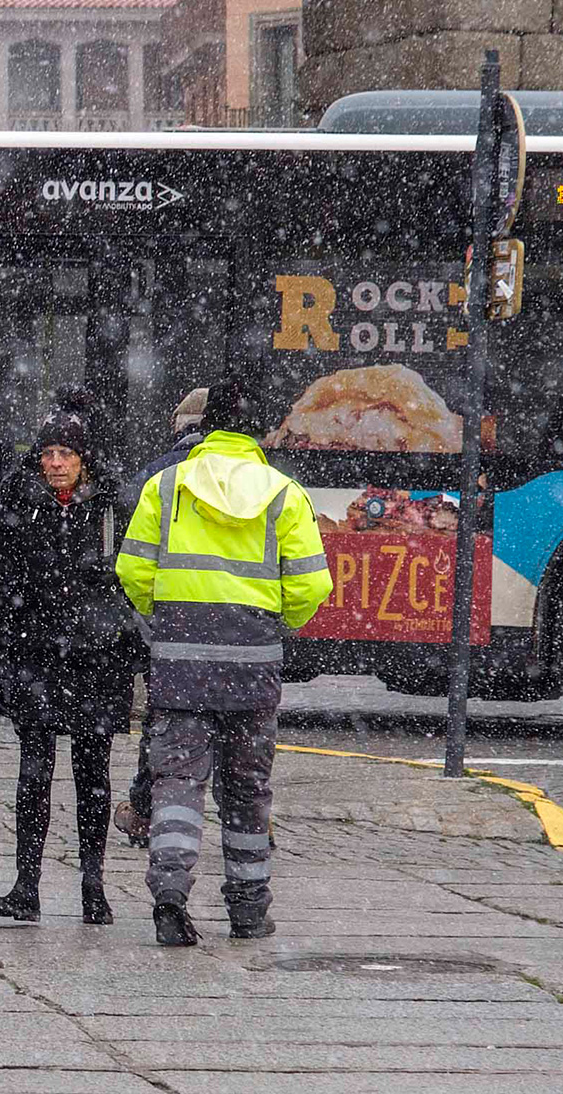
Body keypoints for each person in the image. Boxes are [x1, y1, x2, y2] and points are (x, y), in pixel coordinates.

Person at [115, 378, 332, 947]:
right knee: (247, 793)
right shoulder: (285, 494)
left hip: (180, 665)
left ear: (207, 425)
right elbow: (312, 585)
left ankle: (169, 894)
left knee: (178, 784)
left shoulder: (166, 487)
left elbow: (133, 571)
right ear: (261, 431)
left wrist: (167, 623)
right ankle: (248, 910)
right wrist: (274, 623)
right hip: (252, 668)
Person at [0, 405, 140, 926]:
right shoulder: (18, 504)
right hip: (37, 655)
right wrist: (1, 637)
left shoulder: (113, 507)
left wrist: (119, 629)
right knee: (34, 772)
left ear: (83, 460)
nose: (54, 463)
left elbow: (134, 576)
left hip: (97, 659)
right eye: (47, 454)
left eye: (65, 454)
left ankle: (93, 885)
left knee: (93, 774)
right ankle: (28, 885)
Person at [114, 385, 210, 849]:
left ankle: (147, 812)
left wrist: (149, 618)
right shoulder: (255, 477)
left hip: (171, 632)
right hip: (238, 631)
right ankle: (252, 825)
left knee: (165, 726)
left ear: (179, 426)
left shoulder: (155, 478)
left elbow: (131, 561)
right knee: (237, 732)